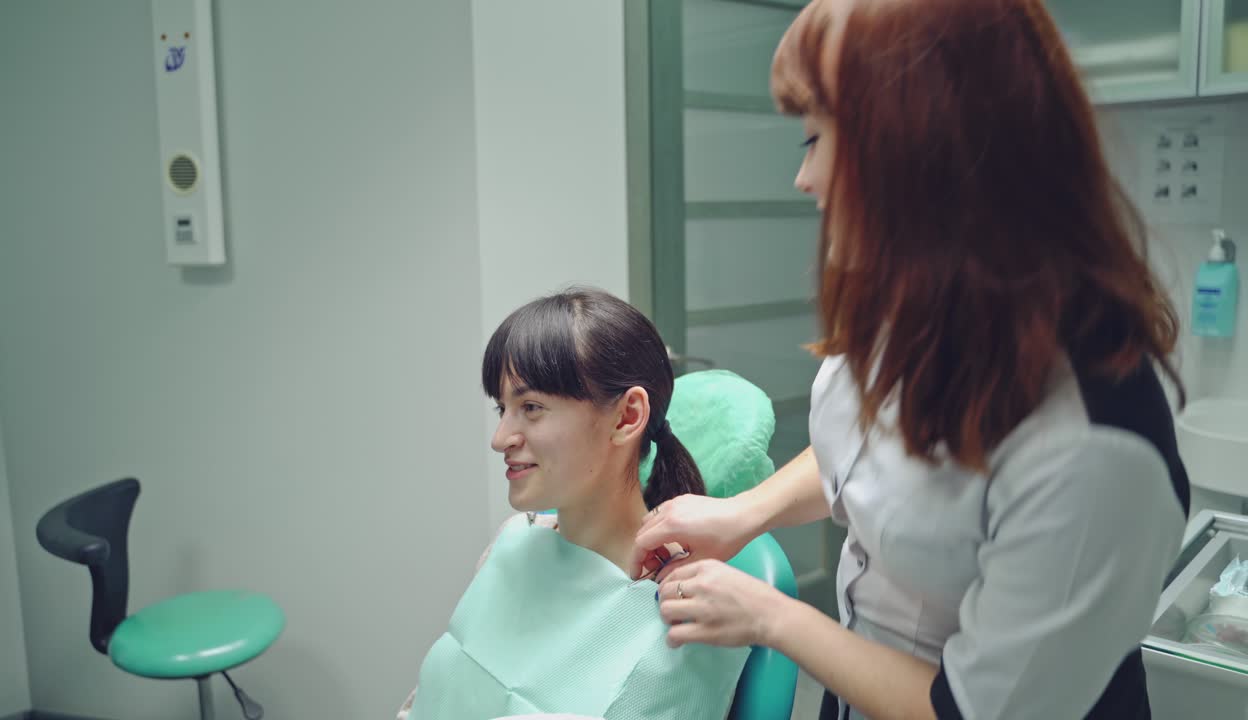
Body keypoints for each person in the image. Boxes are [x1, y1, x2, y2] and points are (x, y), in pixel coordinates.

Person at [631, 1, 1190, 718]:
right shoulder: (919, 312)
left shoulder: (1094, 448)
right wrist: (743, 514)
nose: (806, 178)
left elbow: (970, 710)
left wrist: (770, 616)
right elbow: (861, 457)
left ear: (921, 150)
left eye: (817, 138)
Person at [400, 288, 749, 720]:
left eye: (531, 407)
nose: (499, 439)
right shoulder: (512, 544)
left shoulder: (684, 618)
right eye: (501, 409)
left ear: (626, 417)